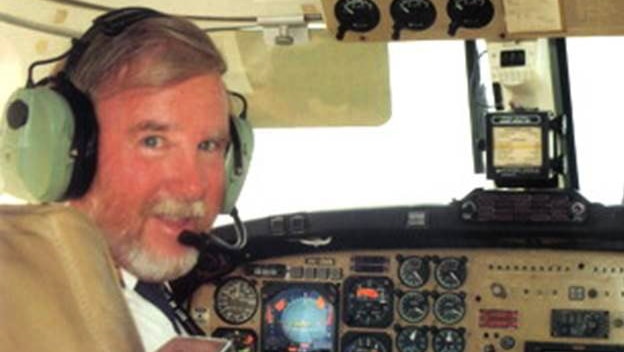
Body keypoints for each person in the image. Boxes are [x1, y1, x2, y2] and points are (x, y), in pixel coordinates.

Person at [64, 9, 232, 352]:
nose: (192, 187)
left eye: (208, 145)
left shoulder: (127, 284)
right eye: (153, 142)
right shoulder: (45, 311)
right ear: (76, 149)